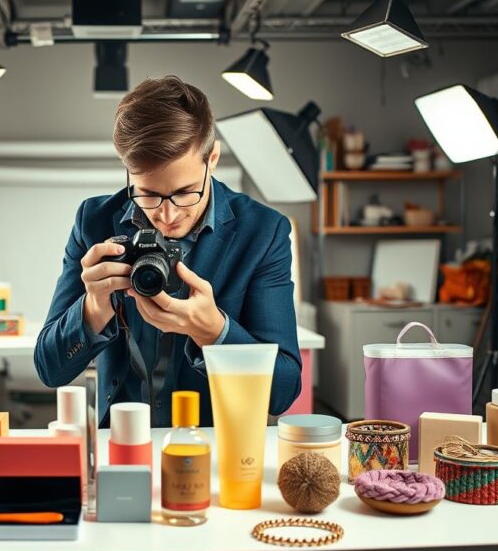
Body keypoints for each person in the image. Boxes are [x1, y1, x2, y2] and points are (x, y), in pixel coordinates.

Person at [34, 76, 301, 427]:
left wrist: (213, 332)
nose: (167, 215)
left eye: (185, 192)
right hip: (121, 441)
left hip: (215, 445)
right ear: (127, 170)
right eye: (147, 194)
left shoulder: (263, 232)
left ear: (213, 158)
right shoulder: (95, 221)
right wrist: (92, 309)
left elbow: (283, 391)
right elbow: (50, 370)